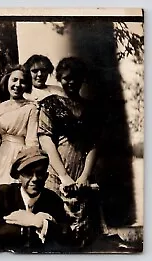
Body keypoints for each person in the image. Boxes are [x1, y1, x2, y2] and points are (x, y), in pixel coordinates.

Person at [37, 57, 101, 247]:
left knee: (83, 232)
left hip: (83, 170)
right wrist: (63, 176)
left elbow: (93, 144)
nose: (70, 82)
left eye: (75, 77)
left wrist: (84, 176)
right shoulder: (50, 103)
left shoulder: (90, 109)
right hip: (56, 170)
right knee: (55, 225)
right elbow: (45, 139)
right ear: (59, 79)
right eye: (65, 78)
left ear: (82, 78)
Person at [0, 147, 73, 250]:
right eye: (28, 173)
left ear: (46, 176)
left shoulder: (53, 200)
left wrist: (39, 222)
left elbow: (67, 235)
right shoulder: (4, 193)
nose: (34, 179)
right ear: (19, 175)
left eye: (39, 173)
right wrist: (25, 229)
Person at [0, 65, 39, 195]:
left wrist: (26, 165)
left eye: (22, 81)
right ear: (7, 80)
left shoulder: (31, 108)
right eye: (14, 80)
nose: (17, 85)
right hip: (1, 156)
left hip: (20, 156)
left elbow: (31, 141)